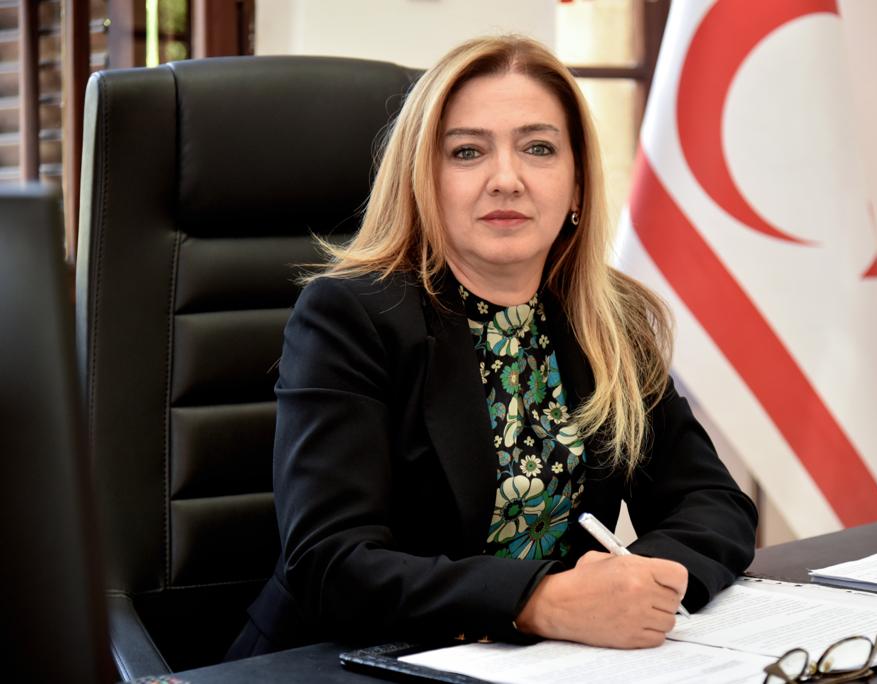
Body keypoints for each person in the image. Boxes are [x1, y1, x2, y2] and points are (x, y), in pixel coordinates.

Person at [228, 34, 757, 659]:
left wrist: (637, 584)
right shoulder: (350, 317)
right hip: (346, 661)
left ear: (578, 185)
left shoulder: (609, 317)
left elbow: (713, 501)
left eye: (538, 148)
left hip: (548, 662)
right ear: (425, 180)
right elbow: (331, 562)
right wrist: (539, 601)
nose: (506, 179)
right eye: (467, 152)